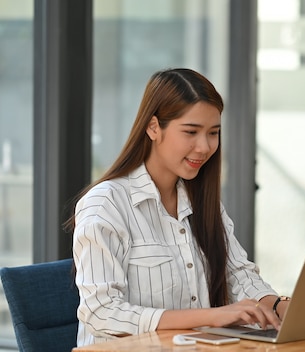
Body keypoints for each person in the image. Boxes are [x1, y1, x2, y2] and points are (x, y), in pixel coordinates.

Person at [68, 68, 289, 346]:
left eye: (213, 133)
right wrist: (210, 316)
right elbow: (101, 313)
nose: (204, 147)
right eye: (191, 132)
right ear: (153, 127)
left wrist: (277, 305)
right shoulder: (106, 203)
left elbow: (238, 274)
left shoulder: (202, 201)